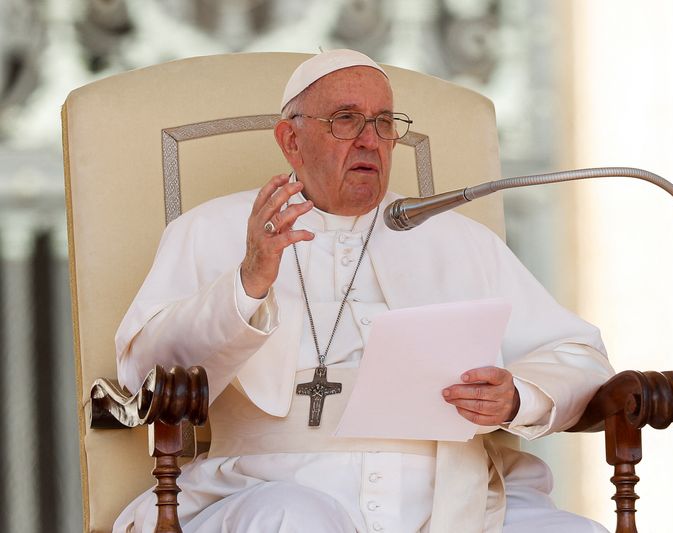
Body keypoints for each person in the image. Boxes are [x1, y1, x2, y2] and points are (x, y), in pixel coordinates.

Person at [113, 49, 615, 533]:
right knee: (295, 520)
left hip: (449, 497)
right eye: (346, 119)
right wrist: (248, 282)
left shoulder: (459, 240)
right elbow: (144, 371)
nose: (370, 140)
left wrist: (517, 397)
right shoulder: (212, 230)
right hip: (271, 486)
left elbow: (578, 354)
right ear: (290, 140)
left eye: (383, 122)